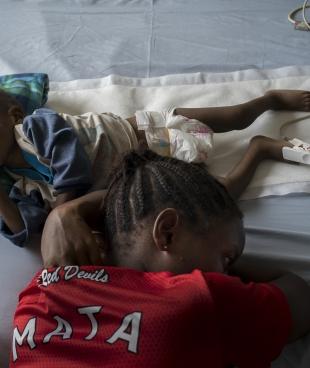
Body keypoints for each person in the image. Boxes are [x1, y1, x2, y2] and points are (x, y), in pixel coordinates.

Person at [11, 149, 310, 367]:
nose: (227, 274)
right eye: (226, 258)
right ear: (167, 233)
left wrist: (66, 212)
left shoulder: (40, 291)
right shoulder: (197, 298)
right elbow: (299, 298)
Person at [1, 88, 310, 246]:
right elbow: (30, 230)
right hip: (146, 171)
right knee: (220, 194)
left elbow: (71, 164)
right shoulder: (19, 184)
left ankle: (267, 101)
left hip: (146, 131)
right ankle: (260, 149)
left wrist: (60, 212)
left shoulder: (35, 126)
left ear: (14, 114)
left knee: (235, 115)